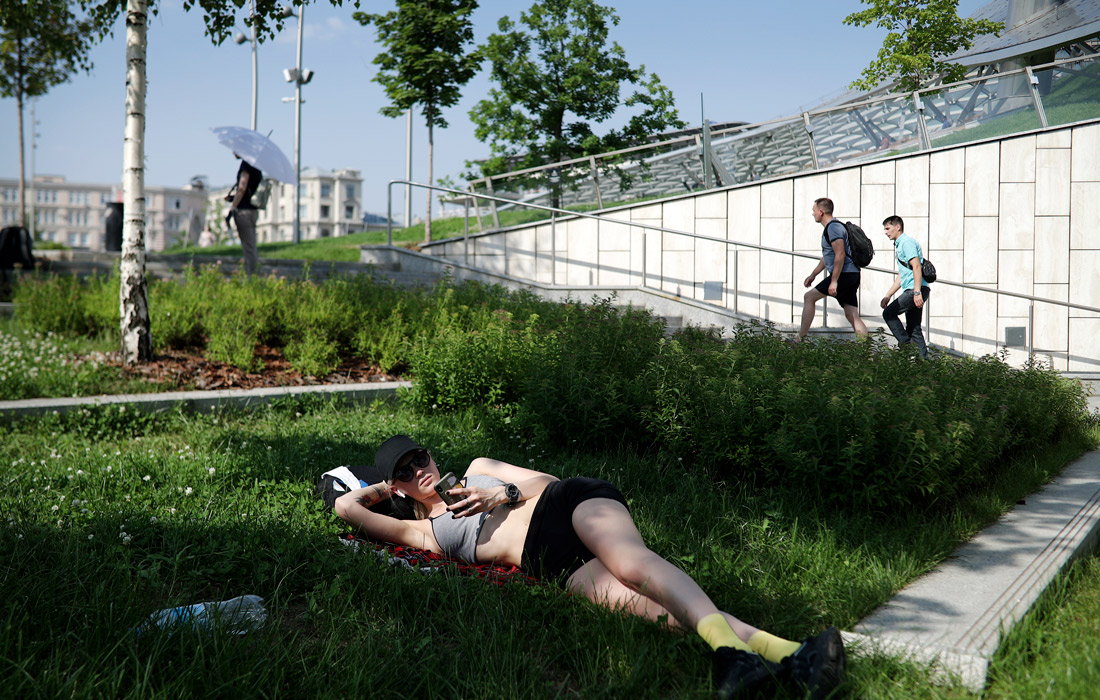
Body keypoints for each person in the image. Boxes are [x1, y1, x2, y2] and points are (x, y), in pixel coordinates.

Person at [335, 435, 847, 699]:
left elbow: (546, 481)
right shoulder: (425, 534)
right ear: (396, 485)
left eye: (419, 458)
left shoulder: (478, 469)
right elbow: (346, 507)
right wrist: (382, 487)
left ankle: (733, 655)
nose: (419, 470)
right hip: (550, 561)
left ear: (431, 455)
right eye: (404, 471)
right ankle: (797, 654)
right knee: (649, 609)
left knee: (634, 567)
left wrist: (499, 493)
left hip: (569, 506)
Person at [797, 198, 868, 341]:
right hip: (851, 274)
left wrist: (834, 281)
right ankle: (865, 348)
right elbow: (828, 257)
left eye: (814, 211)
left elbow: (840, 254)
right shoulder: (834, 227)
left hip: (844, 275)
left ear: (821, 212)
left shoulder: (833, 228)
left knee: (809, 297)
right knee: (852, 314)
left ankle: (800, 339)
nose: (813, 214)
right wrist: (813, 275)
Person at [879, 215, 930, 358]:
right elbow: (902, 275)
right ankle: (923, 364)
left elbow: (916, 266)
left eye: (888, 228)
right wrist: (888, 295)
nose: (886, 232)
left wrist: (917, 292)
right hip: (916, 289)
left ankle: (906, 346)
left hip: (915, 290)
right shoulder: (900, 244)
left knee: (888, 313)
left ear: (898, 227)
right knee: (914, 328)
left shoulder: (906, 243)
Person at [227, 153, 262, 275]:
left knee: (248, 247)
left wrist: (233, 207)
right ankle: (253, 273)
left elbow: (242, 187)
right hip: (253, 210)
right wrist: (233, 198)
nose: (233, 152)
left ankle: (252, 275)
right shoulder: (256, 166)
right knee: (251, 245)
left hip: (243, 212)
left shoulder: (246, 165)